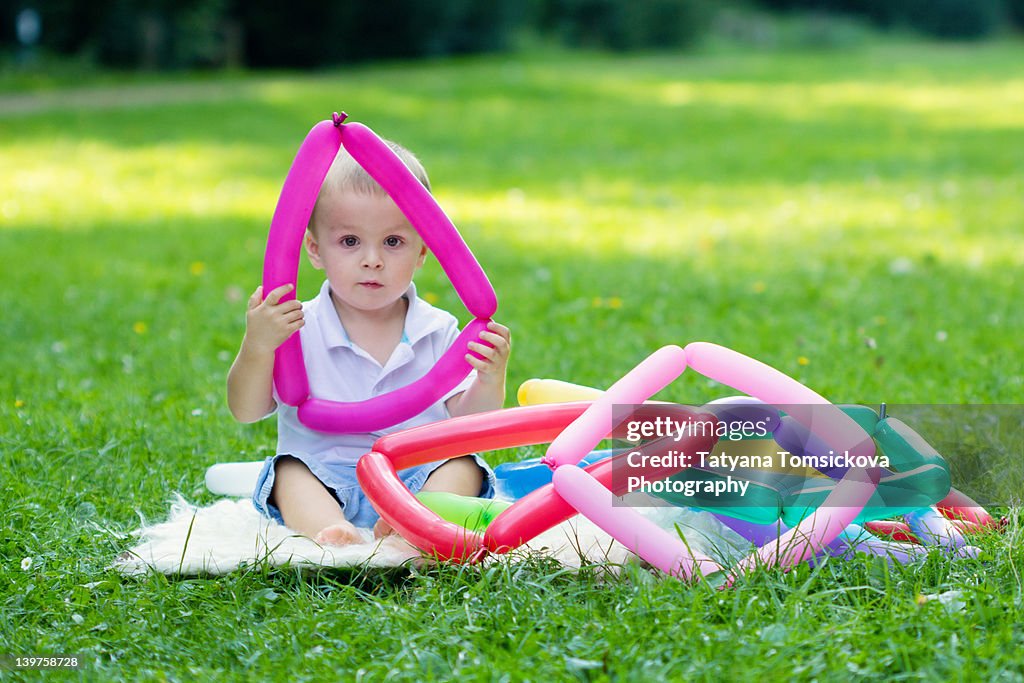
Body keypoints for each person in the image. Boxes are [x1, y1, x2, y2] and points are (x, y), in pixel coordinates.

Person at [227, 140, 511, 546]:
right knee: (289, 473)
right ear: (314, 249)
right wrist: (257, 346)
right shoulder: (294, 327)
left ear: (423, 251)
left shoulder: (439, 329)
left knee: (463, 464)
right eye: (350, 242)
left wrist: (489, 378)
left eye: (393, 242)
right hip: (324, 472)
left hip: (415, 472)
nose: (372, 260)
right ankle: (330, 529)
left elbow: (470, 425)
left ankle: (412, 523)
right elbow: (245, 409)